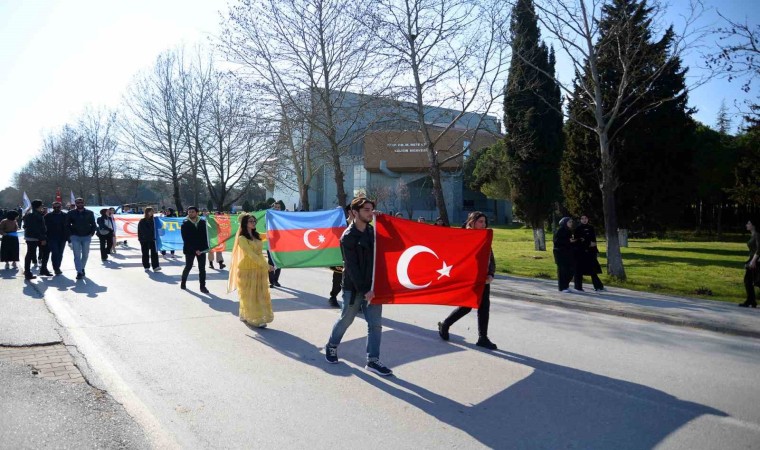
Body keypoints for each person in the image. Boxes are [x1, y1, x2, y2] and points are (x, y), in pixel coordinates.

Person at [324, 197, 393, 376]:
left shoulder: (373, 231)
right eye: (366, 210)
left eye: (372, 209)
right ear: (355, 213)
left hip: (373, 287)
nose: (370, 213)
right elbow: (352, 269)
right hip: (354, 288)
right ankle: (332, 346)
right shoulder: (347, 237)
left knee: (375, 325)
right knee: (346, 320)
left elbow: (395, 244)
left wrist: (384, 222)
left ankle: (373, 360)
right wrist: (365, 291)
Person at [437, 211, 498, 350]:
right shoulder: (464, 237)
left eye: (484, 222)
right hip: (469, 279)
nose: (483, 224)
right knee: (466, 306)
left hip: (483, 279)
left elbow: (491, 257)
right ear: (472, 222)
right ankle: (445, 324)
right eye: (480, 222)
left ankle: (483, 337)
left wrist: (491, 273)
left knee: (484, 307)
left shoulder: (485, 237)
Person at [228, 213, 275, 327]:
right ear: (245, 223)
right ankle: (254, 318)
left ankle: (246, 314)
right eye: (251, 221)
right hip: (247, 269)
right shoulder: (242, 238)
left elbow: (271, 235)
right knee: (249, 294)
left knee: (260, 293)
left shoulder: (257, 235)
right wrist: (267, 266)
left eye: (254, 221)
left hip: (259, 268)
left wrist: (280, 226)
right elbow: (251, 254)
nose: (253, 223)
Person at [66, 197, 97, 279]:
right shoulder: (71, 213)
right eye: (78, 203)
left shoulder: (89, 213)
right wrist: (70, 234)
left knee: (85, 255)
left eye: (81, 202)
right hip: (75, 236)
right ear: (75, 204)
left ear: (83, 203)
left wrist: (92, 233)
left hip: (86, 236)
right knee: (77, 255)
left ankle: (82, 268)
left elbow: (93, 224)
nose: (80, 204)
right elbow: (67, 225)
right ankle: (79, 272)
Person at [180, 206, 209, 293]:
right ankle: (183, 282)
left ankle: (202, 286)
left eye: (192, 212)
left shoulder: (203, 222)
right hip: (190, 249)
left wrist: (202, 249)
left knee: (202, 268)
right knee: (188, 266)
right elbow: (186, 239)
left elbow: (206, 237)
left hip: (202, 249)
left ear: (197, 213)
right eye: (189, 212)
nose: (191, 213)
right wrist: (195, 249)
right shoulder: (185, 224)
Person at [573, 215, 605, 292]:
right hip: (580, 252)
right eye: (582, 218)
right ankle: (578, 287)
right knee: (579, 270)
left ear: (588, 219)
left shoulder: (591, 228)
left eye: (586, 218)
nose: (584, 220)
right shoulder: (577, 229)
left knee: (593, 270)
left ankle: (598, 286)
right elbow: (578, 241)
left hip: (591, 252)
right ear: (580, 220)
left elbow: (593, 240)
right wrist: (587, 243)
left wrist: (596, 250)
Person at [22, 199, 48, 279]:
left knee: (30, 254)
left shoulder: (28, 214)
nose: (42, 207)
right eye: (41, 205)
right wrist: (42, 238)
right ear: (39, 206)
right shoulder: (36, 215)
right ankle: (28, 272)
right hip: (35, 237)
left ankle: (28, 272)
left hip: (30, 236)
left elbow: (25, 226)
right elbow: (37, 228)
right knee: (32, 254)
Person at [553, 216, 577, 293]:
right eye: (569, 222)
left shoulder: (569, 231)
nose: (571, 223)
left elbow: (569, 242)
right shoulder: (560, 231)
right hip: (560, 253)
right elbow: (557, 242)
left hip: (568, 253)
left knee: (570, 270)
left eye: (571, 222)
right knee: (562, 271)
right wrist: (568, 240)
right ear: (564, 223)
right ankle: (562, 287)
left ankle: (566, 285)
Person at [43, 201, 68, 275]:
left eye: (58, 207)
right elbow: (44, 227)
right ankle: (56, 268)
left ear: (61, 207)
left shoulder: (65, 215)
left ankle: (58, 267)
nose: (56, 208)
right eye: (55, 207)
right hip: (52, 237)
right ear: (52, 207)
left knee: (60, 253)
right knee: (55, 253)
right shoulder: (48, 216)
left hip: (62, 237)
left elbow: (68, 226)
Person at [740, 219, 760, 308]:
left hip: (757, 260)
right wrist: (749, 260)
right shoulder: (753, 235)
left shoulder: (757, 235)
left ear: (753, 225)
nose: (746, 225)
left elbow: (759, 249)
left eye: (748, 223)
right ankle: (751, 300)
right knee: (748, 280)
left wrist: (753, 261)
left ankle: (751, 300)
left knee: (757, 281)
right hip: (752, 259)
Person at [138, 207, 161, 272]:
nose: (151, 213)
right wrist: (143, 237)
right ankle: (146, 266)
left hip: (153, 239)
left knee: (154, 253)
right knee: (145, 253)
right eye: (150, 211)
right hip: (144, 240)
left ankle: (155, 266)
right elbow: (142, 230)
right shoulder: (142, 220)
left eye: (152, 211)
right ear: (146, 212)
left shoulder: (155, 220)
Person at [267, 202, 283, 288]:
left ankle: (276, 280)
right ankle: (271, 281)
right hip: (270, 243)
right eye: (275, 207)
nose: (277, 209)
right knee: (270, 262)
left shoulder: (283, 217)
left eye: (278, 207)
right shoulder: (269, 217)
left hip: (280, 243)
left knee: (278, 262)